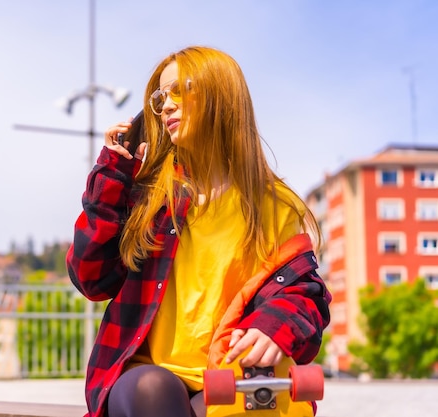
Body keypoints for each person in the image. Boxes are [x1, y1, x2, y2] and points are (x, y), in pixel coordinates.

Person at [66, 45, 332, 417]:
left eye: (181, 90)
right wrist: (111, 178)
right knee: (151, 388)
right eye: (160, 97)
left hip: (230, 376)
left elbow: (305, 293)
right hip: (145, 374)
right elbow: (91, 279)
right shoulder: (145, 194)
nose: (167, 106)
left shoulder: (274, 207)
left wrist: (274, 327)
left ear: (223, 96)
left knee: (250, 405)